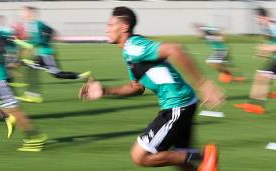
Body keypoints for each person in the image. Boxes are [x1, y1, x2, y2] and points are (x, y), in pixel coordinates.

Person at [79, 6, 225, 171]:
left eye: (111, 25)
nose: (107, 29)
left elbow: (175, 49)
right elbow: (137, 87)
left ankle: (205, 155)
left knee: (140, 156)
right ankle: (201, 158)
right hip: (183, 102)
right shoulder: (129, 52)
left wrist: (203, 83)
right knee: (181, 161)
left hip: (177, 105)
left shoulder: (134, 47)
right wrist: (105, 90)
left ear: (124, 27)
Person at [0, 4, 47, 152]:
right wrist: (14, 56)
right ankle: (8, 119)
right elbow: (10, 41)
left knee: (14, 110)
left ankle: (35, 137)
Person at [17, 6, 90, 103]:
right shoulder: (32, 24)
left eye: (23, 12)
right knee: (48, 72)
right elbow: (50, 31)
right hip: (42, 54)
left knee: (52, 73)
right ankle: (81, 76)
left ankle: (34, 96)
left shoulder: (36, 24)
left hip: (46, 54)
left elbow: (38, 40)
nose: (21, 13)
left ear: (30, 13)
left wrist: (21, 43)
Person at [234, 7, 276, 115]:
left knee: (261, 76)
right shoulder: (267, 27)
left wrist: (267, 49)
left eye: (257, 18)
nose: (256, 20)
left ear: (264, 17)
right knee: (260, 77)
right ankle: (254, 104)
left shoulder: (273, 26)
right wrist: (264, 51)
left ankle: (256, 106)